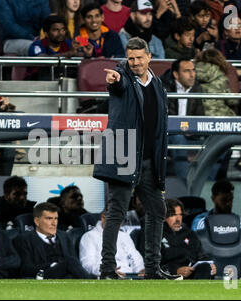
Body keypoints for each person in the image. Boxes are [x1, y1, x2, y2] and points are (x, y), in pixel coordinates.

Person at [93, 37, 181, 280]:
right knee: (116, 212)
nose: (135, 62)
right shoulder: (122, 76)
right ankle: (107, 269)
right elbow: (118, 85)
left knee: (157, 210)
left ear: (149, 57)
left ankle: (153, 269)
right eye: (131, 58)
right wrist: (115, 80)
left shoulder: (158, 84)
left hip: (150, 161)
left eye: (139, 57)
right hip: (124, 157)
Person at [14, 202, 91, 279]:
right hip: (43, 275)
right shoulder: (23, 239)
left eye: (56, 218)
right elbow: (26, 269)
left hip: (66, 274)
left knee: (70, 272)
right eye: (49, 219)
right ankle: (93, 283)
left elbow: (76, 263)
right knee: (70, 261)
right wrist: (52, 265)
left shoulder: (65, 236)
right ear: (37, 221)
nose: (54, 223)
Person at [161, 59, 204, 183]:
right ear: (176, 74)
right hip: (169, 135)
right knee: (179, 138)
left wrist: (193, 130)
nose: (192, 75)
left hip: (191, 135)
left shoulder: (197, 88)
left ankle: (204, 185)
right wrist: (181, 129)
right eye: (187, 71)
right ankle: (186, 184)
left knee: (219, 142)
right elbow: (165, 117)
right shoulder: (164, 87)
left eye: (193, 70)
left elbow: (200, 115)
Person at [161, 198, 216, 279]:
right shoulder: (156, 235)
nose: (178, 219)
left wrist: (211, 266)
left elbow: (202, 256)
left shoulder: (189, 233)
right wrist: (176, 271)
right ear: (164, 217)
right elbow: (153, 264)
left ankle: (200, 291)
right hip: (169, 277)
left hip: (191, 274)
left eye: (180, 215)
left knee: (206, 267)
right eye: (173, 215)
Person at [79, 211, 145, 277]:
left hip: (128, 276)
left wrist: (141, 270)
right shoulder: (89, 237)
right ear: (103, 218)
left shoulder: (124, 236)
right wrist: (106, 271)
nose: (118, 224)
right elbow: (87, 264)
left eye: (120, 221)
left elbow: (135, 257)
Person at [195, 48, 238, 116]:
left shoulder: (190, 72)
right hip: (219, 115)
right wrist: (237, 97)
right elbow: (231, 101)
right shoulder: (220, 76)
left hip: (196, 115)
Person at [28, 15, 92, 57]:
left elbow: (79, 52)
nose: (61, 33)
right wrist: (69, 54)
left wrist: (87, 54)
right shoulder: (37, 45)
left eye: (63, 30)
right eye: (56, 30)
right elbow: (44, 59)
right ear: (46, 33)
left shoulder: (68, 42)